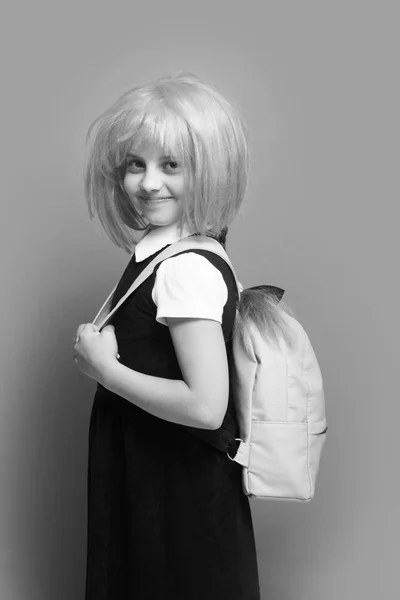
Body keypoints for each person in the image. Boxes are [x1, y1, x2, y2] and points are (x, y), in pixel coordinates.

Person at [73, 71, 261, 600]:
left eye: (171, 165)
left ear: (210, 171)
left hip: (174, 495)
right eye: (137, 163)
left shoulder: (185, 269)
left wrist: (106, 370)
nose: (149, 182)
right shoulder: (165, 252)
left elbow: (206, 407)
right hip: (152, 482)